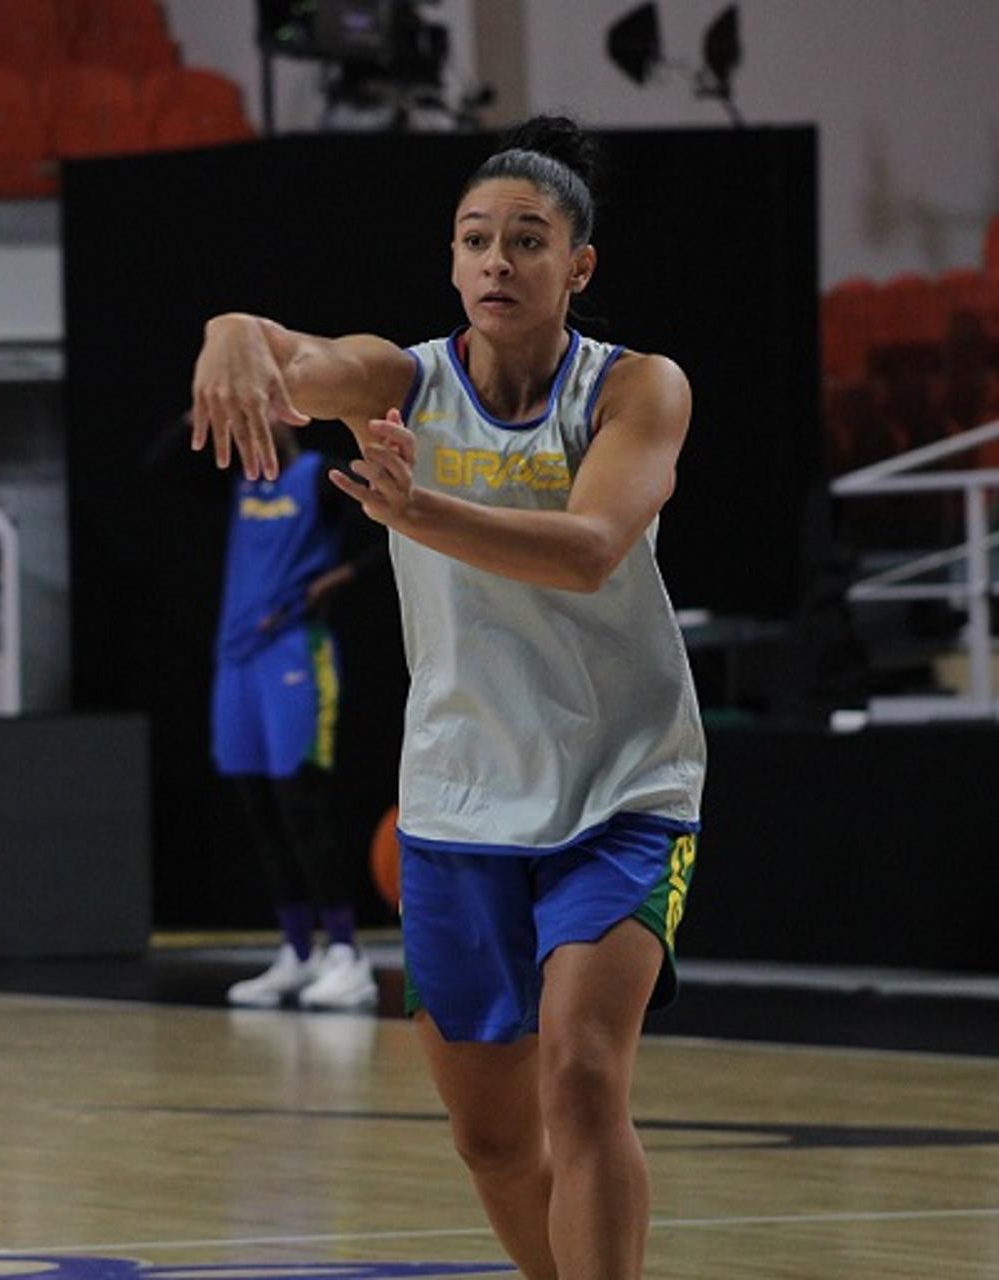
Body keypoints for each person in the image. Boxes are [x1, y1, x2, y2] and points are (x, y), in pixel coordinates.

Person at [186, 116, 706, 1280]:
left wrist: (416, 514)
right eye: (476, 239)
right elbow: (294, 357)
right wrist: (233, 331)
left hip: (625, 783)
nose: (496, 261)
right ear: (452, 258)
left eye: (528, 240)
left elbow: (587, 548)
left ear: (578, 266)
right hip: (461, 796)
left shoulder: (636, 389)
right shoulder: (404, 377)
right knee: (491, 1135)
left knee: (579, 1074)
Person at [209, 423, 383, 1011]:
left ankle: (346, 954)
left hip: (295, 652)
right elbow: (153, 466)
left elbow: (394, 520)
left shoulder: (318, 474)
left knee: (301, 804)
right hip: (237, 661)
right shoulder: (241, 485)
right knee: (259, 809)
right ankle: (297, 952)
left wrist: (341, 576)